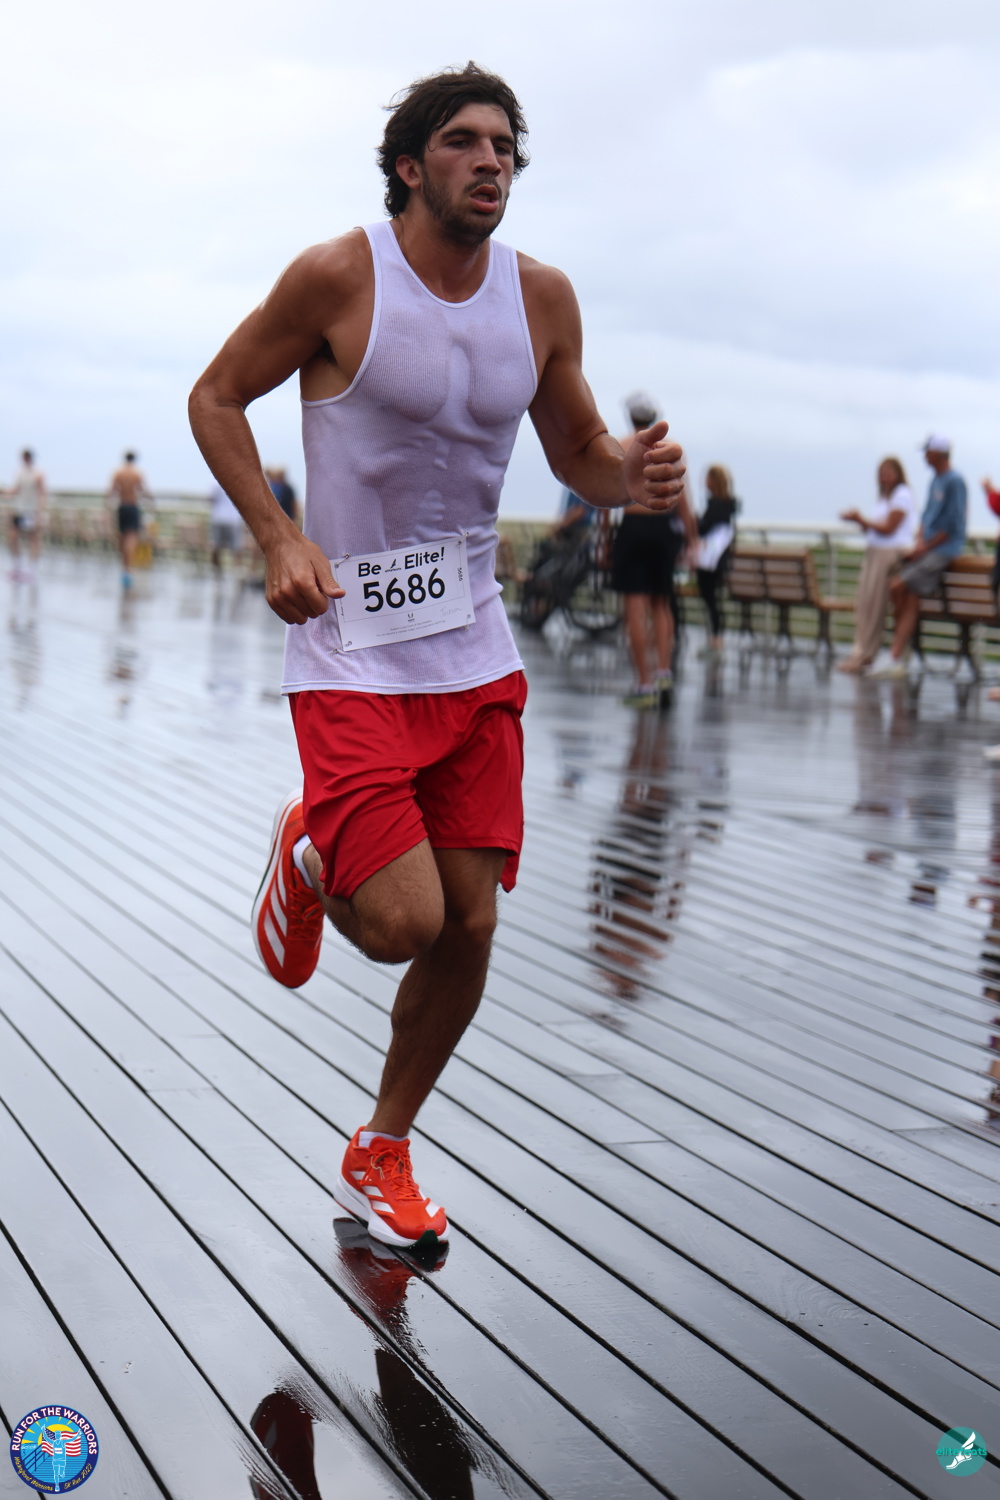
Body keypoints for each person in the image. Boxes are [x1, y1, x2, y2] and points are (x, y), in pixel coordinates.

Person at [188, 63, 686, 1250]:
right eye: (464, 141)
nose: (491, 160)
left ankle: (384, 1145)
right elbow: (216, 398)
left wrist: (631, 478)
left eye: (504, 144)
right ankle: (310, 849)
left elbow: (577, 450)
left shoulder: (541, 297)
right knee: (403, 922)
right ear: (410, 166)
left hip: (472, 650)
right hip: (351, 651)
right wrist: (279, 535)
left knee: (469, 926)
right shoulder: (338, 276)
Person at [611, 393, 697, 709]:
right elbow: (683, 499)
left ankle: (644, 684)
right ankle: (663, 671)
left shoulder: (620, 446)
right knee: (662, 602)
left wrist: (605, 539)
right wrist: (692, 539)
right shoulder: (670, 449)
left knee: (635, 607)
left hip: (632, 527)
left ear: (631, 417)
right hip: (663, 529)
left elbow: (607, 500)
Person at [866, 435, 966, 679]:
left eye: (928, 452)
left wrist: (926, 546)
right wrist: (920, 540)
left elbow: (953, 523)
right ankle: (898, 653)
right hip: (928, 548)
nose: (925, 457)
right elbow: (926, 516)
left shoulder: (954, 481)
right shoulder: (936, 480)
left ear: (938, 453)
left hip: (943, 550)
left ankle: (897, 651)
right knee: (907, 595)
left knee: (898, 585)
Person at [836, 457, 916, 673]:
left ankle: (866, 655)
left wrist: (861, 519)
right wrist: (860, 522)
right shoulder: (884, 498)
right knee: (865, 603)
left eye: (889, 472)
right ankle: (861, 651)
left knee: (874, 605)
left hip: (888, 554)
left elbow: (889, 528)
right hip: (875, 552)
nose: (885, 477)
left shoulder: (902, 495)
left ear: (898, 474)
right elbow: (876, 527)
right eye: (882, 473)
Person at [694, 465, 739, 656]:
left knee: (710, 598)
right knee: (713, 599)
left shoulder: (716, 506)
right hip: (719, 560)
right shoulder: (727, 507)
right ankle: (716, 639)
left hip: (710, 561)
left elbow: (703, 529)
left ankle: (715, 640)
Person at [107, 451, 151, 587]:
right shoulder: (137, 473)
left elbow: (111, 491)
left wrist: (107, 508)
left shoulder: (118, 473)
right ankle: (128, 569)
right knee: (131, 538)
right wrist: (150, 501)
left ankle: (124, 568)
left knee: (122, 538)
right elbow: (143, 491)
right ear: (134, 460)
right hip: (132, 506)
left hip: (122, 506)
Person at [6, 449, 47, 580]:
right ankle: (17, 565)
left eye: (27, 458)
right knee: (12, 537)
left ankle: (32, 569)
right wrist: (4, 493)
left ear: (30, 458)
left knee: (33, 538)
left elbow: (42, 494)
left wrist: (40, 512)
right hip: (19, 510)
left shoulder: (38, 474)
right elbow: (15, 490)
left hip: (31, 511)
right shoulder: (20, 473)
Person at [209, 481, 245, 570]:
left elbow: (211, 499)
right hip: (233, 520)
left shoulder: (215, 483)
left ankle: (216, 571)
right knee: (236, 548)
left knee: (216, 547)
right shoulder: (238, 483)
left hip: (218, 518)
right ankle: (238, 570)